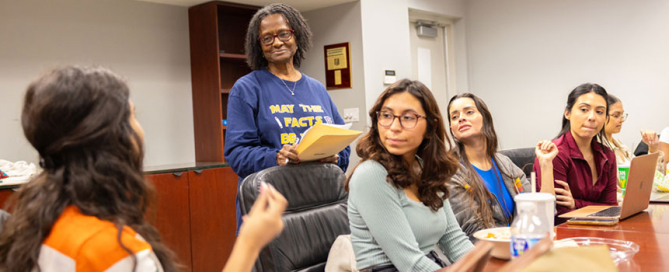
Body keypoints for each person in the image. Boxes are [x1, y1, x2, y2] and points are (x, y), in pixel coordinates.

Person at [0, 66, 286, 272]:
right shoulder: (111, 250)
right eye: (133, 116)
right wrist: (250, 243)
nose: (141, 128)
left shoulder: (34, 222)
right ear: (114, 138)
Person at [224, 3, 350, 232]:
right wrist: (277, 156)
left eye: (284, 34)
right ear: (259, 46)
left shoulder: (317, 89)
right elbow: (237, 154)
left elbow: (343, 142)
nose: (278, 42)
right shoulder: (246, 89)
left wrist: (336, 156)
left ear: (296, 36)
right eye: (267, 38)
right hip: (271, 209)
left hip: (318, 204)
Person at [346, 79, 473, 272]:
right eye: (386, 115)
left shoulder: (424, 168)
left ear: (431, 127)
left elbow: (453, 239)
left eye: (408, 117)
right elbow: (410, 263)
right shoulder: (371, 174)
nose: (394, 127)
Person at [445, 93, 558, 239]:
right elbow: (474, 232)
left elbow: (540, 214)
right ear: (452, 129)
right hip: (486, 252)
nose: (461, 118)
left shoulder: (505, 164)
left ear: (485, 118)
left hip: (519, 246)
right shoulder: (450, 172)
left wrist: (546, 164)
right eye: (454, 117)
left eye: (469, 112)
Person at [533, 83, 617, 217]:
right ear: (567, 113)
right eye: (584, 109)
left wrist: (576, 203)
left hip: (600, 230)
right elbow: (560, 213)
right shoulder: (555, 154)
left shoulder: (607, 155)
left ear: (606, 118)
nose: (592, 117)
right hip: (564, 233)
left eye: (599, 112)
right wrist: (593, 208)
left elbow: (611, 208)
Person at [602, 94, 665, 199]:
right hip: (621, 206)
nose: (621, 120)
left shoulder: (619, 145)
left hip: (635, 203)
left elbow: (651, 181)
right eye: (616, 115)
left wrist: (653, 148)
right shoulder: (598, 148)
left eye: (622, 115)